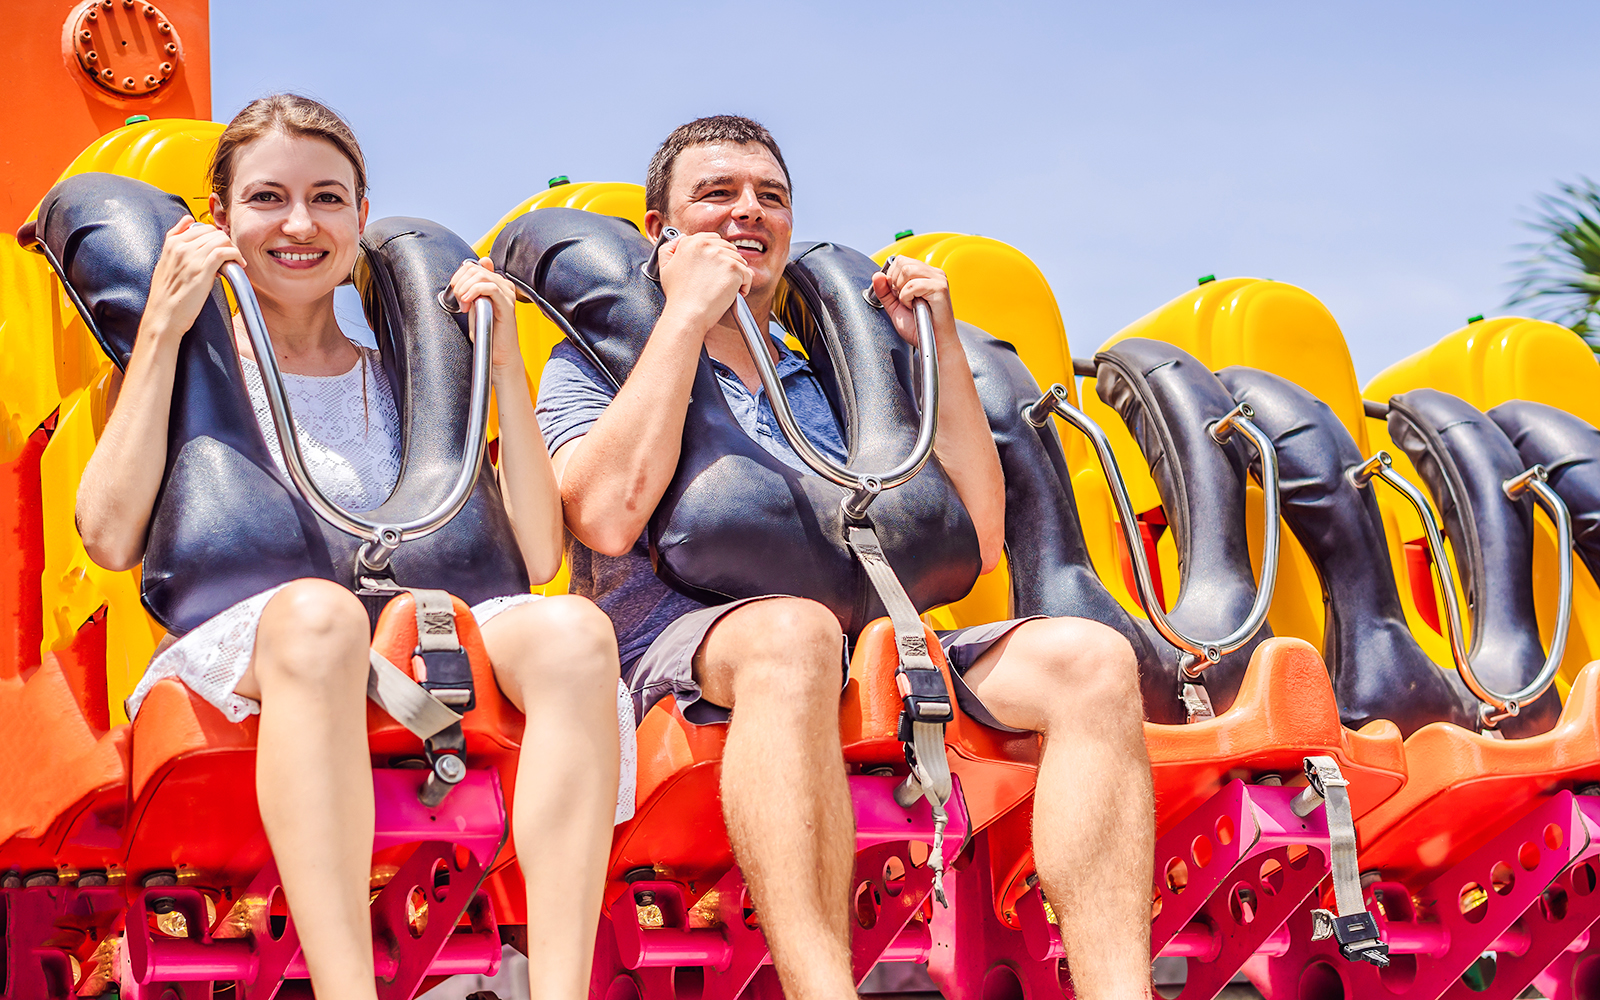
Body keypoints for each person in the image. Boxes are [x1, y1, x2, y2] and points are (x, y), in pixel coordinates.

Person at [536, 115, 1156, 1000]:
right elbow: (600, 516)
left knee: (1091, 660)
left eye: (771, 198)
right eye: (717, 195)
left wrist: (933, 348)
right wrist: (684, 320)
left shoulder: (831, 370)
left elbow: (975, 541)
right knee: (792, 634)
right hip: (682, 651)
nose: (748, 213)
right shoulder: (594, 358)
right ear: (657, 232)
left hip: (875, 646)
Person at [75, 94, 625, 1000]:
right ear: (218, 219)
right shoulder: (183, 368)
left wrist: (506, 378)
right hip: (262, 645)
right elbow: (105, 535)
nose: (300, 225)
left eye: (328, 199)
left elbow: (536, 558)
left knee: (573, 632)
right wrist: (166, 326)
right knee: (321, 616)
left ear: (362, 218)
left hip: (408, 633)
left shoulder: (409, 381)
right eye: (267, 199)